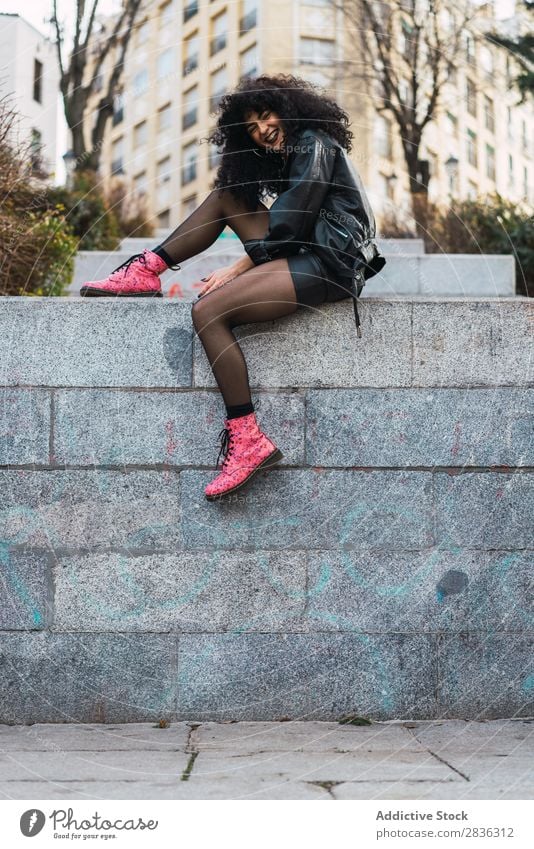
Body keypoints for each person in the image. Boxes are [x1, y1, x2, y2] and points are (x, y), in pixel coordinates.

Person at [80, 74, 385, 501]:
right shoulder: (294, 153)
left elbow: (294, 221)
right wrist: (246, 263)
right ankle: (147, 269)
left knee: (208, 313)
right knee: (229, 195)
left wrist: (241, 266)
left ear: (289, 109)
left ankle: (247, 440)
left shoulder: (313, 142)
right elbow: (292, 224)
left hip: (329, 262)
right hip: (311, 251)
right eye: (252, 128)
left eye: (266, 115)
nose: (262, 129)